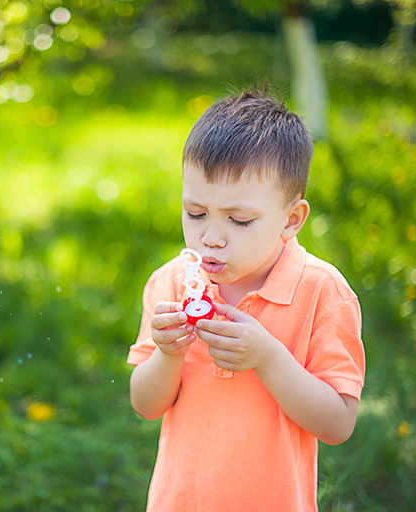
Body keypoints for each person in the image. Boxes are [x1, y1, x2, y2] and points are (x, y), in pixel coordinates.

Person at [127, 90, 365, 511]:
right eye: (195, 213)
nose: (210, 237)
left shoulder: (321, 293)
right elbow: (145, 405)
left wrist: (268, 356)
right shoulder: (172, 283)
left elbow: (338, 424)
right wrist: (167, 354)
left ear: (291, 220)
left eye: (239, 220)